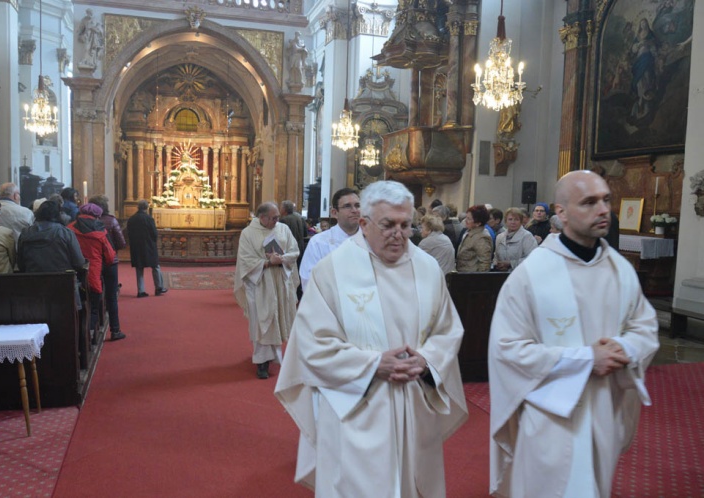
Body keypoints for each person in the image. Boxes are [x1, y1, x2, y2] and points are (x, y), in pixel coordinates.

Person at [275, 181, 468, 496]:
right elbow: (312, 346)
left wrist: (427, 360)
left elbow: (447, 330)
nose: (399, 234)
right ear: (363, 224)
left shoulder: (427, 267)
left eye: (406, 225)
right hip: (357, 410)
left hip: (414, 407)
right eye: (388, 225)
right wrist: (373, 363)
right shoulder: (332, 271)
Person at [488, 171, 659, 498]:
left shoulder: (618, 268)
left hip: (604, 407)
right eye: (589, 202)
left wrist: (624, 348)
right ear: (561, 212)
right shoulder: (532, 274)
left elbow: (645, 326)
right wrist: (584, 359)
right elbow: (507, 349)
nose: (603, 210)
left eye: (606, 200)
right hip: (551, 415)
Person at [234, 202, 300, 379]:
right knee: (262, 320)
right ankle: (262, 361)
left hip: (279, 281)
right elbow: (245, 260)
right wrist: (268, 262)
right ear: (261, 217)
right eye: (274, 218)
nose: (277, 220)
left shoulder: (283, 229)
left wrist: (282, 258)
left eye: (278, 216)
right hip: (259, 283)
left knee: (277, 318)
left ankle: (274, 356)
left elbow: (294, 250)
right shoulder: (248, 233)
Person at [299, 188, 360, 289]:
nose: (354, 210)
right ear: (334, 212)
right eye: (347, 206)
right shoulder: (318, 242)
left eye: (357, 205)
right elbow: (308, 280)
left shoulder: (372, 240)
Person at [70, 203, 116, 336]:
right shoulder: (100, 232)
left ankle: (76, 337)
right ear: (97, 217)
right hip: (93, 276)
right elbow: (110, 257)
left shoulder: (69, 228)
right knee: (93, 309)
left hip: (72, 275)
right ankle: (88, 336)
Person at [90, 195, 127, 341]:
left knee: (94, 296)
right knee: (111, 296)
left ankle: (93, 330)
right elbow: (121, 243)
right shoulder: (111, 220)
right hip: (110, 262)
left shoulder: (83, 222)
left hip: (93, 263)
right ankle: (115, 330)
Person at [127, 199, 167, 298]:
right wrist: (153, 241)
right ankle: (159, 287)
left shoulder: (131, 219)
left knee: (139, 268)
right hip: (149, 246)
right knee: (155, 266)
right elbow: (154, 233)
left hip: (136, 246)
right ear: (146, 208)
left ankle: (141, 291)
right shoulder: (149, 219)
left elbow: (128, 234)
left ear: (138, 207)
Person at [456, 204, 493, 272]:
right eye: (466, 217)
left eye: (469, 219)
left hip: (471, 277)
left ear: (478, 223)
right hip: (463, 274)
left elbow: (484, 264)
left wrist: (477, 280)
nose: (465, 221)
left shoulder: (482, 238)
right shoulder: (469, 231)